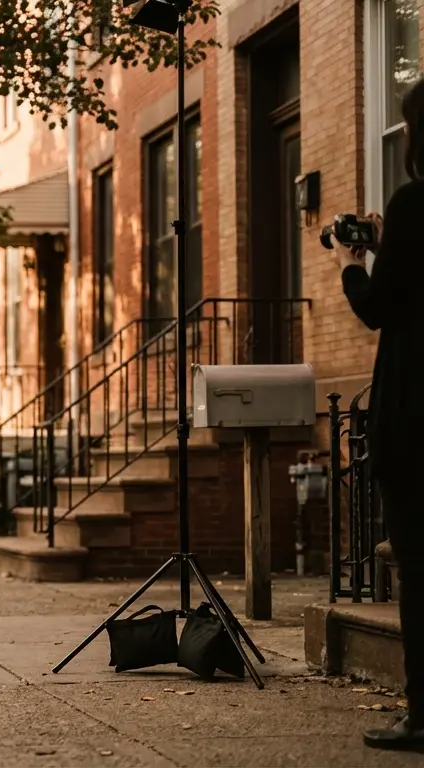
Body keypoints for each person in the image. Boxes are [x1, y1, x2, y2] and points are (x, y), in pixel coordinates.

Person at [339, 79, 424, 751]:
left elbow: (380, 308)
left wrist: (351, 264)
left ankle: (422, 715)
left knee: (420, 572)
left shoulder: (415, 205)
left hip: (417, 419)